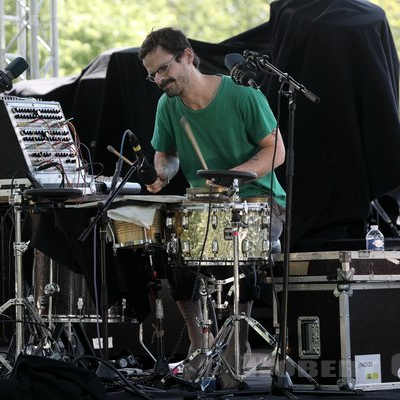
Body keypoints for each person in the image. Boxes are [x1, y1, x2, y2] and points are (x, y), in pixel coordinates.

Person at [138, 27, 286, 389]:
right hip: (203, 206)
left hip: (259, 201)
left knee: (238, 252)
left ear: (187, 56)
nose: (158, 79)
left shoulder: (242, 94)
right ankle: (199, 344)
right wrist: (162, 173)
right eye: (152, 74)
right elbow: (167, 153)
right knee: (176, 254)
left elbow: (276, 150)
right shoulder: (168, 106)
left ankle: (236, 347)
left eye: (163, 69)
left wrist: (234, 176)